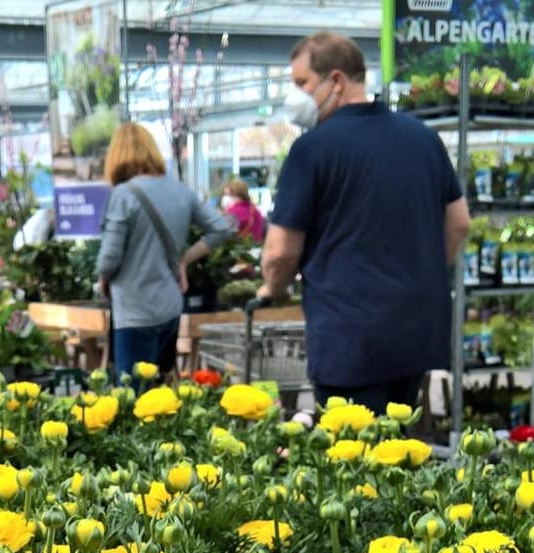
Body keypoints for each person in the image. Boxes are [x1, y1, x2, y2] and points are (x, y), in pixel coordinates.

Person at [258, 32, 469, 413]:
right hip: (416, 331)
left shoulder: (312, 150)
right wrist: (425, 272)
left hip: (349, 336)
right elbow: (459, 223)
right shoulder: (423, 139)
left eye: (302, 83)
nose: (296, 96)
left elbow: (280, 251)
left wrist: (272, 288)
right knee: (396, 446)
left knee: (352, 456)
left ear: (336, 80)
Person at [96, 123, 235, 382]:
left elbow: (109, 258)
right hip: (170, 308)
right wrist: (184, 259)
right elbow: (221, 228)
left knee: (132, 397)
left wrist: (102, 280)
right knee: (161, 393)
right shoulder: (179, 190)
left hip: (134, 311)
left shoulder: (123, 195)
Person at [221, 179, 266, 243]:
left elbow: (223, 233)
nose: (225, 198)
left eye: (227, 194)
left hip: (239, 248)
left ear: (236, 194)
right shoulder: (254, 209)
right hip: (255, 247)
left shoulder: (234, 213)